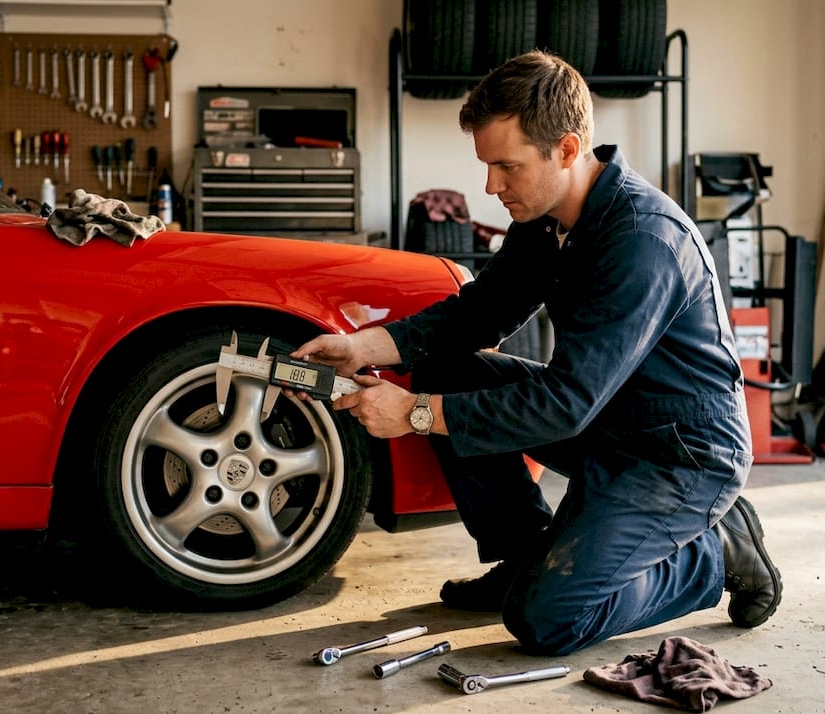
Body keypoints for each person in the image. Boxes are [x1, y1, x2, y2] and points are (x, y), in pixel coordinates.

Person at [291, 50, 781, 656]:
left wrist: (417, 412)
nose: (491, 186)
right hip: (609, 420)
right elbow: (482, 310)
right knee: (448, 367)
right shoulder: (546, 217)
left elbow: (566, 403)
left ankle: (715, 551)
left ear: (567, 150)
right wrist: (362, 346)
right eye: (487, 165)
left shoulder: (641, 242)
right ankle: (521, 556)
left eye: (506, 166)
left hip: (679, 454)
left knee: (547, 621)